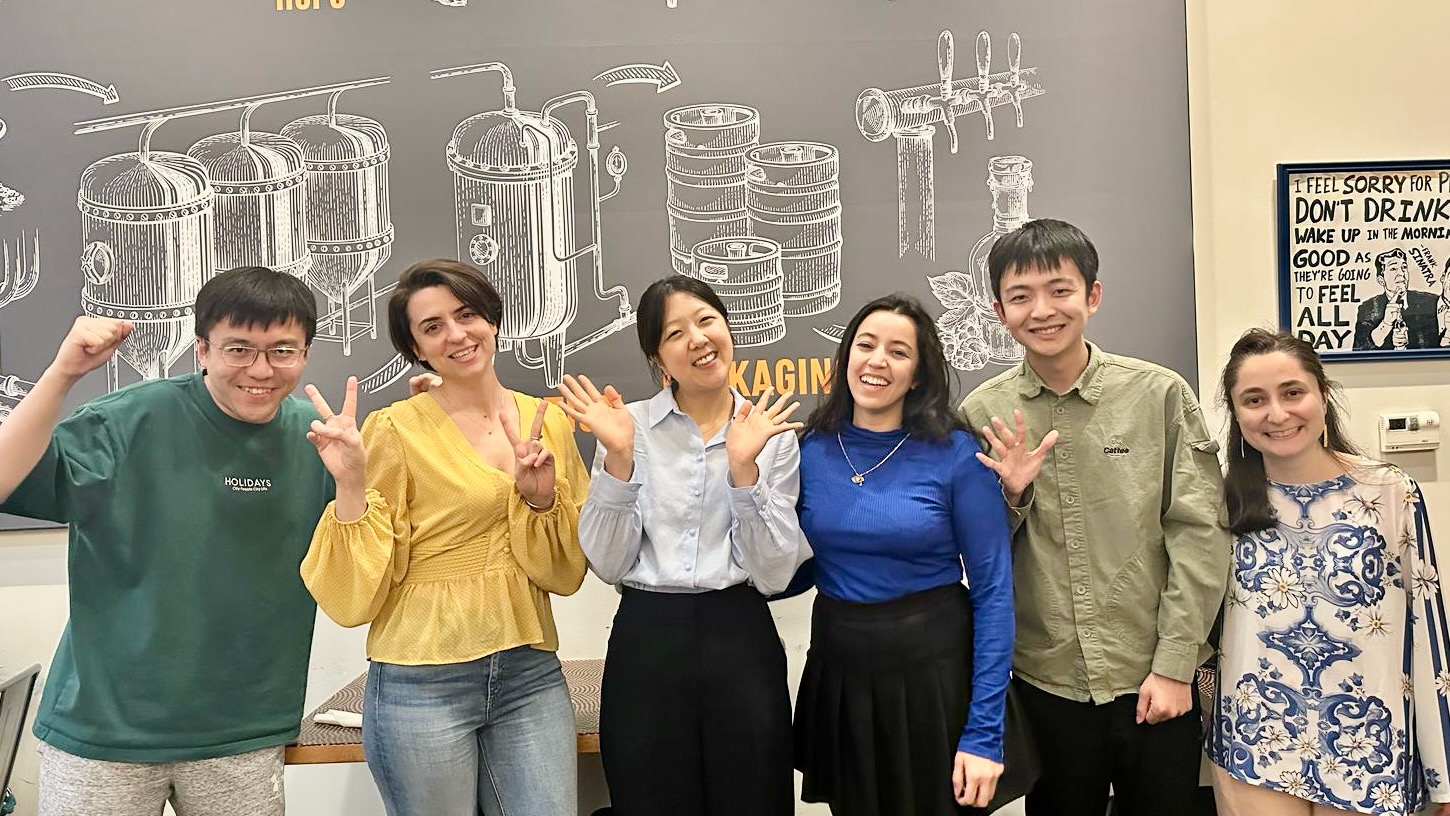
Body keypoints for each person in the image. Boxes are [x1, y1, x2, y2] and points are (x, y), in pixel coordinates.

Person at [0, 266, 350, 816]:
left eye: (282, 350)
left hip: (242, 731)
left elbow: (360, 575)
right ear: (202, 349)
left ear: (306, 353)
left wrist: (356, 481)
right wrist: (62, 373)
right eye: (239, 349)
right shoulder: (125, 422)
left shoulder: (320, 440)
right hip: (105, 729)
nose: (260, 369)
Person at [958, 218, 1230, 816]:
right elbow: (976, 555)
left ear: (1093, 296)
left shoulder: (1158, 395)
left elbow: (1200, 533)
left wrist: (1176, 663)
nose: (1042, 310)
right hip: (1045, 682)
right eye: (1021, 296)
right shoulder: (982, 412)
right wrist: (1011, 496)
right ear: (999, 311)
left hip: (1153, 675)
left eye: (1060, 290)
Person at [300, 258, 590, 816]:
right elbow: (353, 596)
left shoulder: (546, 421)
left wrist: (538, 500)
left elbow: (564, 572)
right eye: (433, 327)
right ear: (417, 348)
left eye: (467, 315)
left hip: (528, 674)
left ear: (493, 320)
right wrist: (351, 485)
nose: (457, 334)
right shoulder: (394, 429)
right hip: (421, 681)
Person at [555, 274, 811, 816]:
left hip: (740, 637)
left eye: (706, 320)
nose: (697, 339)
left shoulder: (770, 435)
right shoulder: (627, 428)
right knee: (649, 799)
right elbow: (608, 563)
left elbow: (774, 574)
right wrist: (619, 459)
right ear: (658, 357)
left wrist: (744, 472)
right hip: (647, 639)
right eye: (675, 333)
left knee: (753, 799)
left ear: (728, 328)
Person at [1206, 328, 1450, 816]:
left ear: (1323, 394)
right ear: (1235, 413)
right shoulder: (1220, 499)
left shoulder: (1390, 492)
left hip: (1370, 746)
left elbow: (1426, 630)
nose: (1277, 414)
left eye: (1292, 392)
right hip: (1256, 741)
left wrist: (1442, 774)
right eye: (1254, 400)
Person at [788, 294, 1015, 815]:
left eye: (898, 352)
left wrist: (985, 731)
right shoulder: (810, 450)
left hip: (934, 674)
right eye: (865, 345)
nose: (877, 361)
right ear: (846, 357)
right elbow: (793, 571)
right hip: (841, 671)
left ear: (917, 375)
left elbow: (994, 591)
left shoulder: (957, 453)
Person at [1352, 248, 1440, 351]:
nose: (1401, 273)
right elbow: (1360, 349)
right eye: (1393, 269)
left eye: (1404, 267)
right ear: (1381, 280)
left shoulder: (1430, 302)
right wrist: (1386, 324)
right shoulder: (1368, 308)